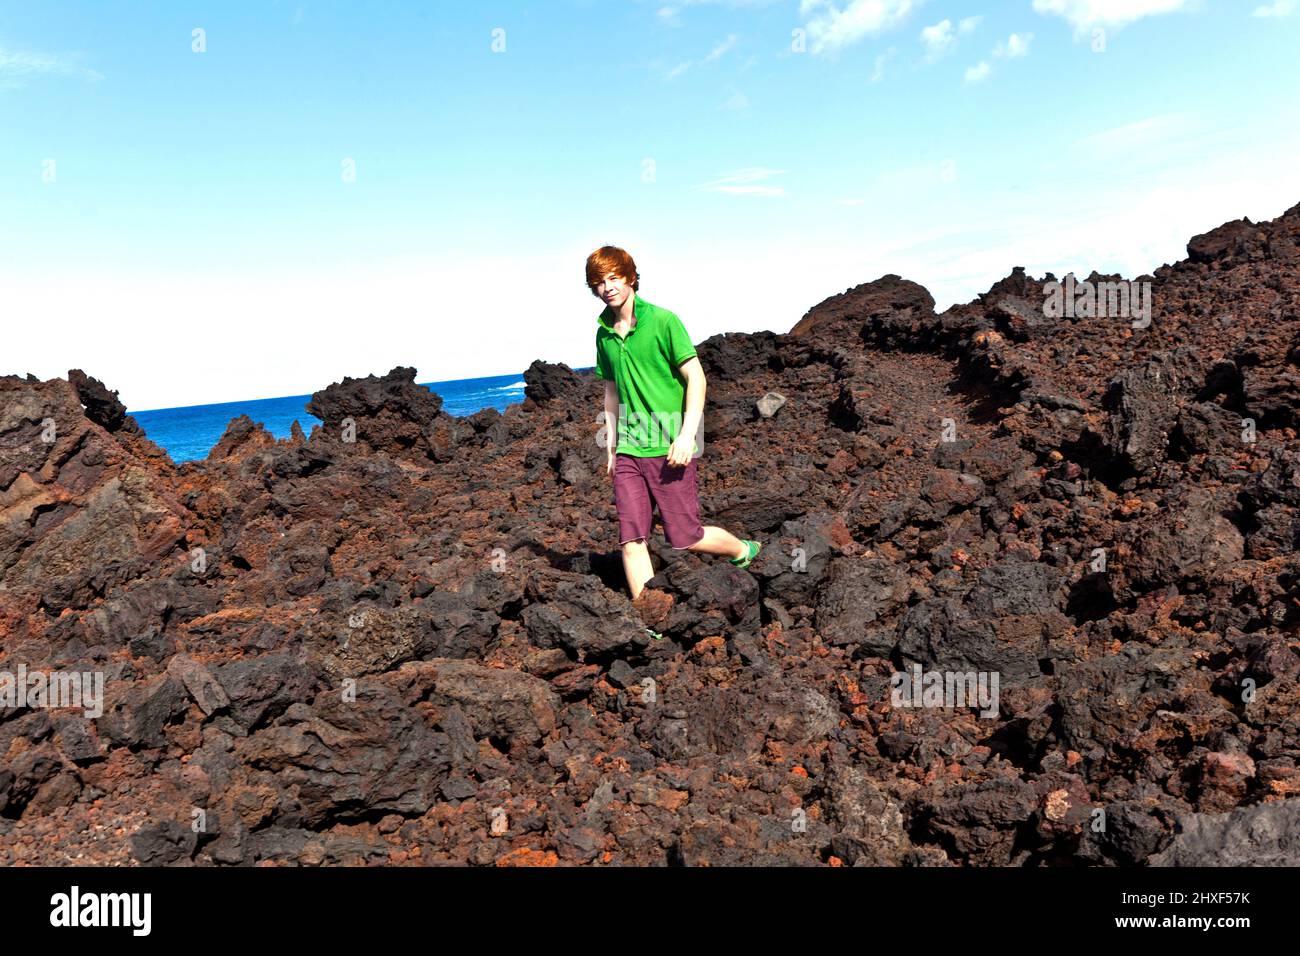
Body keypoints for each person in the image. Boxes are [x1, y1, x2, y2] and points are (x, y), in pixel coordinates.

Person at [587, 245, 761, 617]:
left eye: (615, 278)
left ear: (631, 277)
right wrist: (611, 445)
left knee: (685, 537)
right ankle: (650, 619)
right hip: (631, 448)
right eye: (600, 282)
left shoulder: (664, 321)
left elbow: (695, 376)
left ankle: (741, 550)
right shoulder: (602, 334)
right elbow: (612, 391)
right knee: (631, 540)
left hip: (670, 445)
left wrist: (687, 435)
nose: (608, 287)